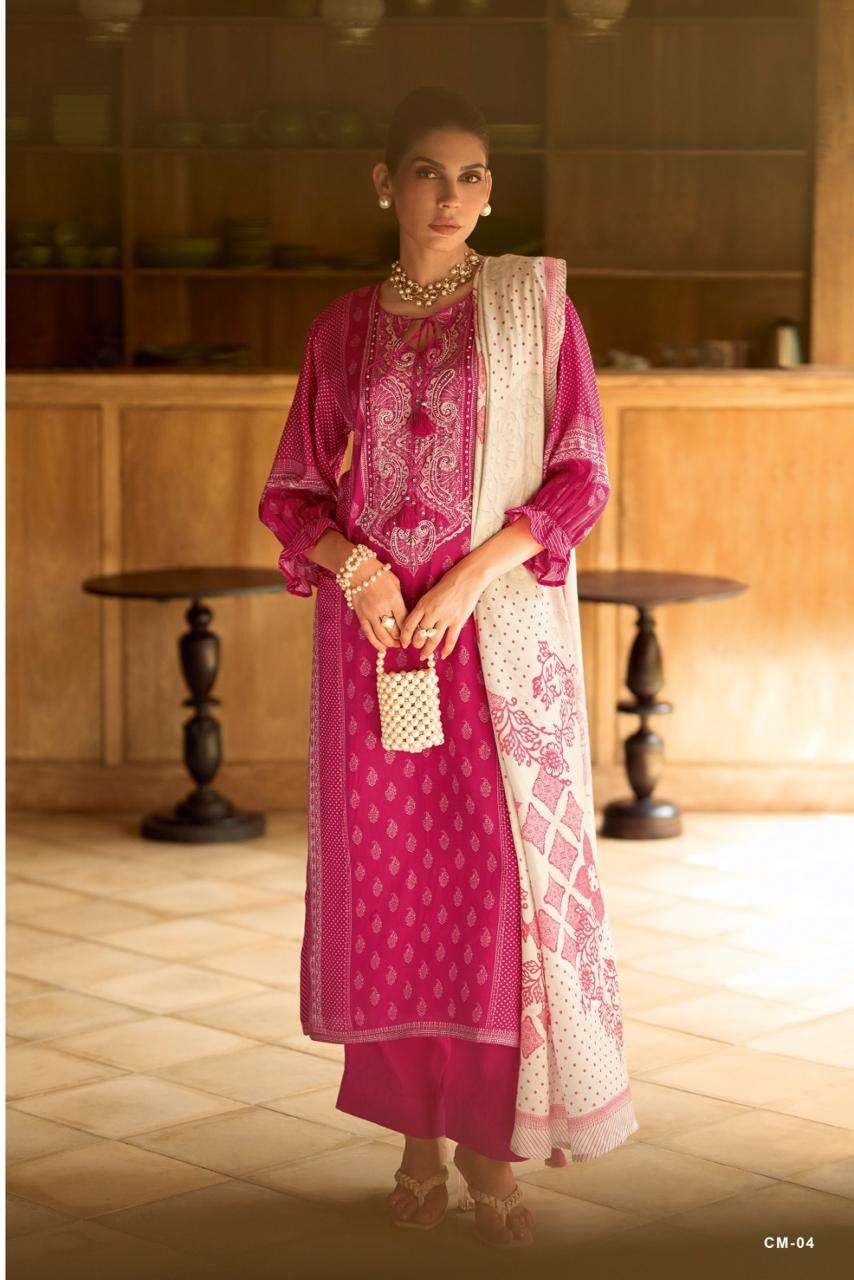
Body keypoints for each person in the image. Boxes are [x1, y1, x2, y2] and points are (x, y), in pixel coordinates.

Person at [258, 85, 637, 1250]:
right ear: (385, 183)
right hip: (374, 646)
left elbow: (578, 474)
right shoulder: (339, 330)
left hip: (492, 641)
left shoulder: (530, 310)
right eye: (428, 172)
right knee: (390, 893)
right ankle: (414, 1143)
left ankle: (486, 1148)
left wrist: (468, 579)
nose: (450, 196)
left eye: (471, 176)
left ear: (489, 193)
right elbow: (293, 493)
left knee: (489, 893)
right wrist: (358, 572)